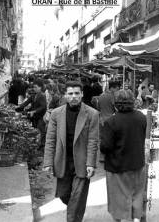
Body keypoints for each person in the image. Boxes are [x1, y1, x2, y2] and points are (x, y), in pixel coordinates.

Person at [43, 81, 99, 222]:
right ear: (65, 95)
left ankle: (74, 216)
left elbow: (93, 141)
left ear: (82, 94)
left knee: (77, 196)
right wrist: (48, 162)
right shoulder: (56, 114)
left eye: (76, 93)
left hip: (82, 162)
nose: (73, 96)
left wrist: (91, 163)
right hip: (63, 161)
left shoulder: (92, 114)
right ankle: (76, 210)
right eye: (70, 93)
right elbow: (50, 140)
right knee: (64, 194)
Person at [100, 90, 147, 222]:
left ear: (115, 104)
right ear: (133, 102)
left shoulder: (111, 122)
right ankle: (136, 219)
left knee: (118, 200)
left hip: (117, 166)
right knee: (136, 196)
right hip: (137, 164)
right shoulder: (141, 118)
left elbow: (106, 146)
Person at [16, 79, 47, 149]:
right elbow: (26, 102)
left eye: (36, 87)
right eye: (34, 87)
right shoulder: (33, 95)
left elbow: (43, 107)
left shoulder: (42, 96)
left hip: (41, 116)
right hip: (34, 116)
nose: (34, 89)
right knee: (35, 130)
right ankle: (36, 144)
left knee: (41, 130)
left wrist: (34, 111)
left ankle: (42, 145)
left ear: (40, 87)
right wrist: (18, 107)